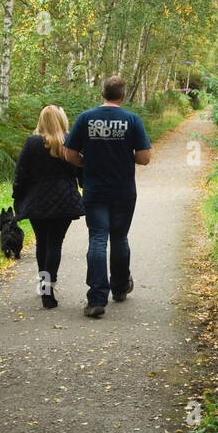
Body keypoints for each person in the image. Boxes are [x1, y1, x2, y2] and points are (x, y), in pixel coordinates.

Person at [63, 75, 151, 318]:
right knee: (120, 238)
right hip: (123, 191)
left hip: (94, 190)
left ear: (102, 93)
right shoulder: (132, 120)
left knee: (98, 239)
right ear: (123, 95)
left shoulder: (85, 118)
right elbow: (144, 158)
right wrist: (125, 156)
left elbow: (69, 154)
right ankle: (121, 288)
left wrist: (88, 162)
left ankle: (96, 299)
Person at [12, 104, 85, 309]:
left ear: (41, 121)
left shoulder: (32, 143)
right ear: (62, 121)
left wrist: (17, 196)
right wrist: (84, 189)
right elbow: (81, 171)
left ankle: (44, 287)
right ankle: (49, 286)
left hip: (37, 201)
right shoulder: (70, 142)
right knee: (55, 244)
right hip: (64, 201)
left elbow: (21, 173)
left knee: (42, 243)